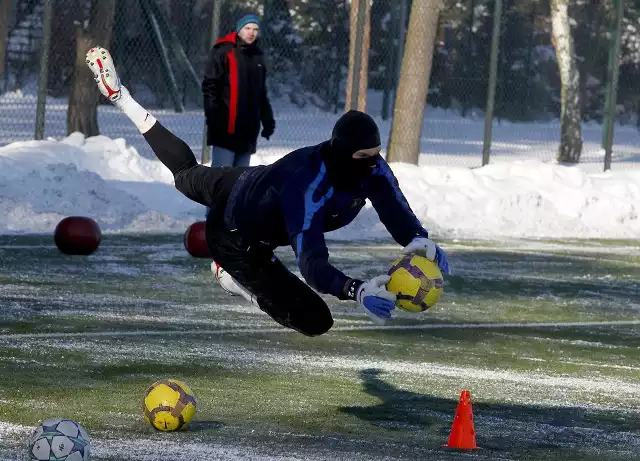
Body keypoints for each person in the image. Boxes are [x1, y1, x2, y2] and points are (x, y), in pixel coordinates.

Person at [85, 47, 450, 337]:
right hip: (235, 235)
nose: (374, 163)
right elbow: (312, 264)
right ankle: (235, 279)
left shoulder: (371, 166)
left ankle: (121, 97)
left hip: (253, 181)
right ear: (342, 155)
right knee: (315, 320)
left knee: (188, 174)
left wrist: (418, 240)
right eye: (364, 157)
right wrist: (356, 290)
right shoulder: (309, 189)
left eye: (376, 155)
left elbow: (393, 206)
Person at [202, 12, 275, 167]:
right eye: (247, 28)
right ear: (239, 29)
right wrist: (213, 115)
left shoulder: (257, 56)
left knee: (240, 180)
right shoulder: (224, 51)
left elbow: (261, 93)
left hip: (248, 130)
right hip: (226, 127)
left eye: (255, 29)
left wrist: (267, 120)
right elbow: (210, 86)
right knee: (222, 178)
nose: (251, 32)